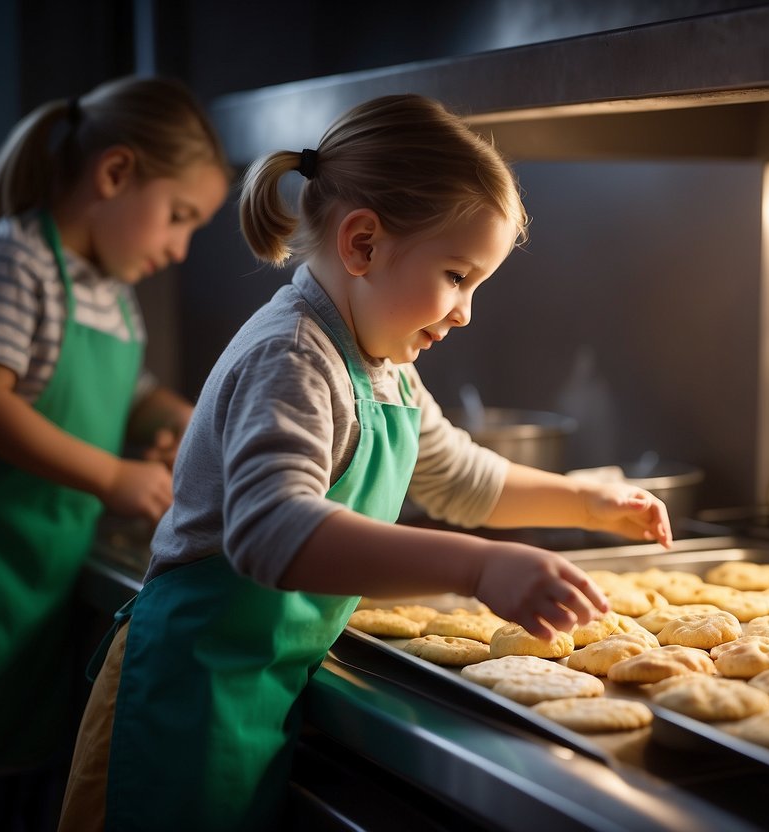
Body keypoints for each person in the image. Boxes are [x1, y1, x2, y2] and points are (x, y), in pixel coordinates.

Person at [58, 93, 672, 831]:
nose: (464, 311)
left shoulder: (380, 366)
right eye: (455, 276)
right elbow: (271, 531)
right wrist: (477, 569)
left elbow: (461, 477)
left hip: (252, 683)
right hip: (187, 692)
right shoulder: (292, 357)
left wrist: (587, 503)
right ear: (362, 245)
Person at [0, 75, 230, 831]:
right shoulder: (9, 262)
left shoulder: (109, 293)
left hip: (36, 574)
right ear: (115, 174)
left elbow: (128, 393)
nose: (180, 248)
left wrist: (175, 414)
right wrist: (112, 475)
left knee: (15, 777)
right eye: (177, 218)